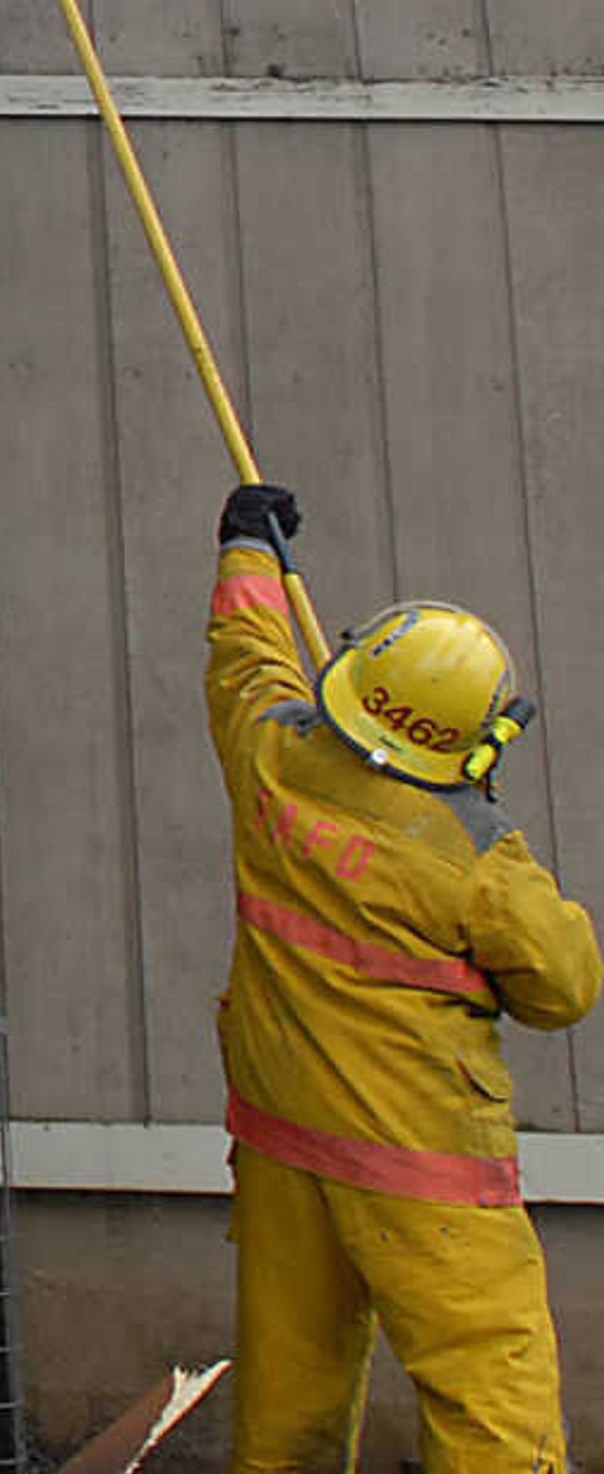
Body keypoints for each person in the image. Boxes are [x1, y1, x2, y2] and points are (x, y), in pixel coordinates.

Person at [211, 480, 598, 1472]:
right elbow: (563, 988)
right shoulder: (475, 857)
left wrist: (247, 547)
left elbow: (248, 662)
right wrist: (485, 814)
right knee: (489, 1398)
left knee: (289, 1397)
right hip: (422, 1166)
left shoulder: (271, 757)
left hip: (282, 1140)